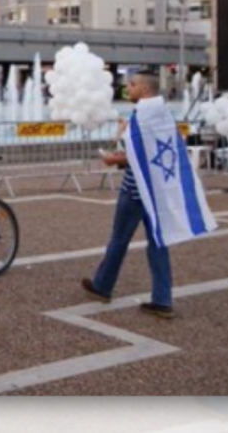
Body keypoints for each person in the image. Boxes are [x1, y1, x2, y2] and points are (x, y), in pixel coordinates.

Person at [82, 71, 175, 318]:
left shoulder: (141, 116)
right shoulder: (164, 114)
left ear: (145, 89)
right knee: (158, 243)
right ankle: (163, 299)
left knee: (119, 239)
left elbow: (138, 154)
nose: (127, 88)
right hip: (158, 189)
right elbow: (157, 153)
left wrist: (114, 159)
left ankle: (102, 286)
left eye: (132, 85)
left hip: (135, 190)